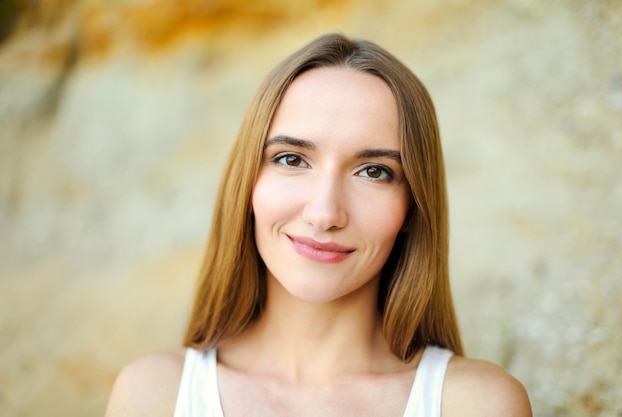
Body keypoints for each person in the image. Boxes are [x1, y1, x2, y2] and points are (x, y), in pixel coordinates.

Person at [105, 33, 532, 417]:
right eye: (292, 160)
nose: (324, 213)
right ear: (248, 185)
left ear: (412, 209)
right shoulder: (154, 394)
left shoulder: (477, 405)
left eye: (374, 171)